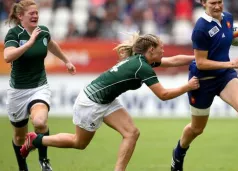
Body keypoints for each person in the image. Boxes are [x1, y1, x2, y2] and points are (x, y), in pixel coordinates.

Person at [20, 32, 200, 171]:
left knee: (132, 133)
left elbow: (175, 60)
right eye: (161, 47)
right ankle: (36, 140)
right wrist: (188, 86)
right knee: (79, 143)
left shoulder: (142, 61)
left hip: (105, 100)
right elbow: (164, 95)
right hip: (91, 103)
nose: (163, 51)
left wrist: (198, 58)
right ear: (151, 50)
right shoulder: (142, 67)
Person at [170, 0, 238, 171]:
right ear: (203, 3)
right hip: (202, 81)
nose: (217, 6)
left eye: (220, 2)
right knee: (197, 129)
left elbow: (228, 37)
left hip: (224, 77)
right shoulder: (200, 28)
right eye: (213, 3)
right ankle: (178, 153)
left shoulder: (228, 18)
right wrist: (229, 64)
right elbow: (201, 63)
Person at [3, 0, 76, 171]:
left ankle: (44, 161)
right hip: (18, 92)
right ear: (21, 16)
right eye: (31, 13)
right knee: (19, 138)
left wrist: (66, 61)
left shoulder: (43, 31)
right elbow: (7, 56)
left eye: (37, 13)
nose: (36, 16)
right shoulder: (14, 34)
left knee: (40, 122)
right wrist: (28, 44)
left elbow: (51, 45)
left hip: (39, 87)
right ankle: (23, 167)